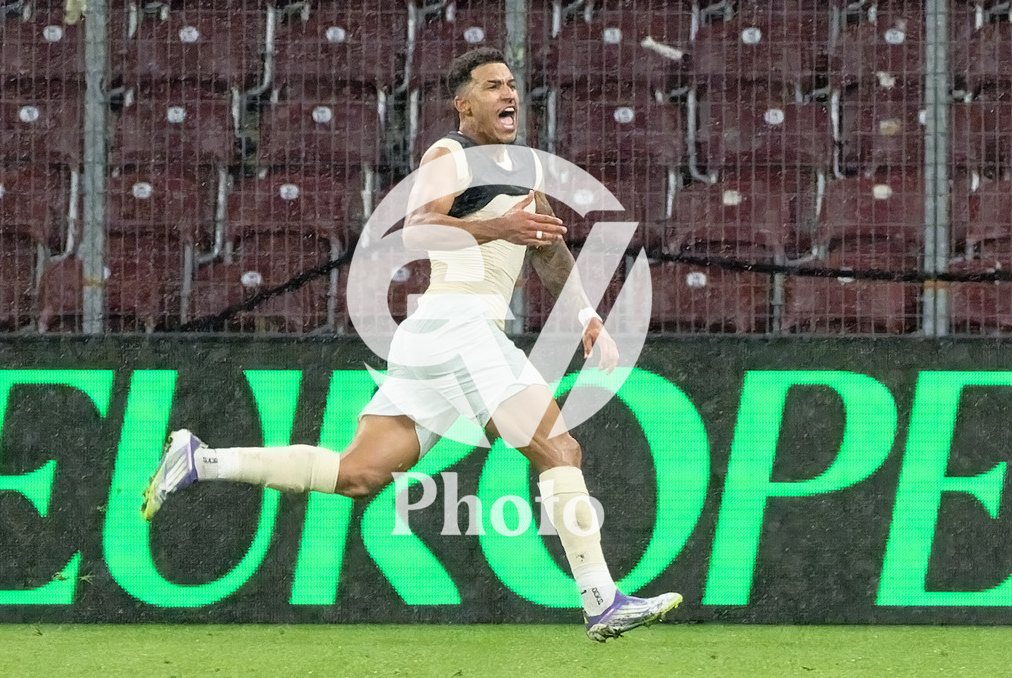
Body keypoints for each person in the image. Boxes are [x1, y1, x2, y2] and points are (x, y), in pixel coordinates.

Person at [142, 47, 681, 642]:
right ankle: (602, 602)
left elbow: (549, 248)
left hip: (435, 341)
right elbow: (418, 228)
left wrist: (584, 315)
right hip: (461, 327)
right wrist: (498, 227)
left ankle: (201, 460)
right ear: (464, 103)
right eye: (492, 86)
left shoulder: (524, 168)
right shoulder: (450, 154)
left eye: (511, 85)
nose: (508, 95)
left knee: (356, 475)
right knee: (560, 451)